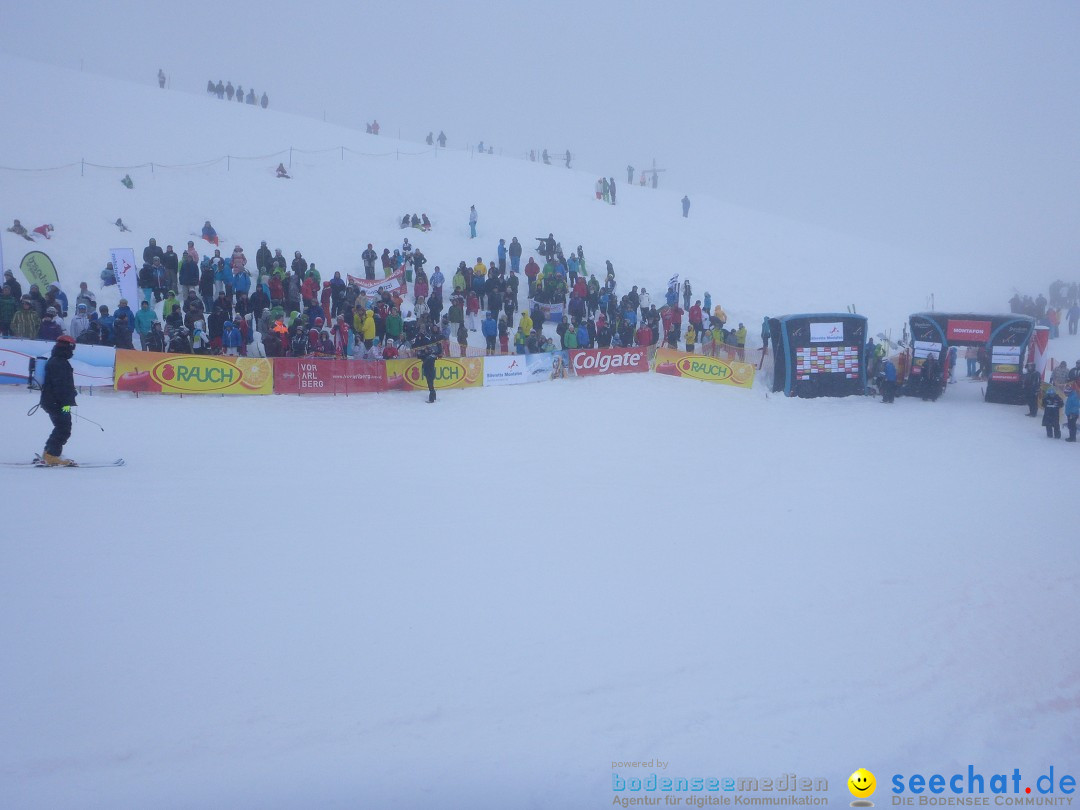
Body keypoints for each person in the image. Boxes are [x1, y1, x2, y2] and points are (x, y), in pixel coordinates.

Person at [38, 335, 78, 466]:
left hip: (54, 402)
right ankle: (52, 455)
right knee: (64, 428)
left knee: (61, 426)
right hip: (58, 403)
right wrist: (66, 402)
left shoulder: (57, 360)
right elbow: (61, 386)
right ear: (69, 347)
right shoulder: (59, 363)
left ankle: (49, 452)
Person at [414, 325, 442, 403]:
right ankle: (434, 396)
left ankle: (431, 398)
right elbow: (420, 356)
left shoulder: (431, 356)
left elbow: (426, 360)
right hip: (429, 370)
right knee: (430, 383)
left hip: (429, 371)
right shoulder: (428, 355)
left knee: (430, 384)